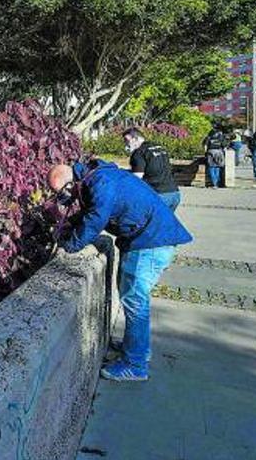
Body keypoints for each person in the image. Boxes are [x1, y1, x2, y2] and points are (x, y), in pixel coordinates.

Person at [48, 160, 193, 381]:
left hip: (151, 242)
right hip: (147, 238)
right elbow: (93, 210)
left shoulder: (101, 183)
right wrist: (72, 224)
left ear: (70, 184)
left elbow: (96, 218)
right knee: (130, 296)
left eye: (63, 193)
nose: (66, 199)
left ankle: (135, 365)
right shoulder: (96, 177)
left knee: (136, 301)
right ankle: (134, 347)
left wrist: (70, 245)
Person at [123, 127, 181, 211]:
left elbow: (136, 178)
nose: (125, 144)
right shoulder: (159, 147)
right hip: (174, 193)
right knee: (165, 223)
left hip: (158, 195)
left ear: (136, 138)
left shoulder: (139, 152)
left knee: (146, 222)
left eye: (127, 140)